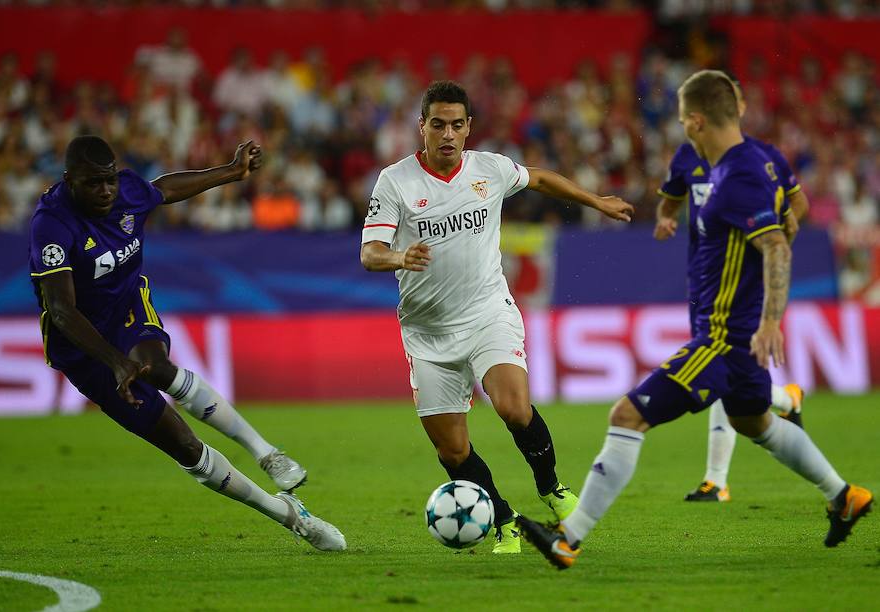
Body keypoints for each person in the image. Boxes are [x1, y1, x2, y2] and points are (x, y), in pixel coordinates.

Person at [517, 70, 872, 569]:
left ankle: (566, 538)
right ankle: (843, 495)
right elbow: (792, 220)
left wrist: (769, 319)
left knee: (627, 415)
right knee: (757, 423)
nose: (683, 130)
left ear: (698, 120)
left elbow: (775, 246)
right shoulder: (763, 160)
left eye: (685, 122)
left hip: (725, 338)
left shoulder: (735, 179)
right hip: (738, 335)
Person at [29, 135, 345, 551]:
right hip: (85, 349)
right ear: (69, 180)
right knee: (185, 447)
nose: (105, 191)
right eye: (93, 183)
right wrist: (112, 360)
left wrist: (231, 172)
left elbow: (163, 190)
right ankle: (287, 514)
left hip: (127, 308)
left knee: (153, 364)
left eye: (109, 180)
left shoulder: (125, 189)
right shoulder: (52, 225)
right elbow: (62, 311)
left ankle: (266, 452)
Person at [360, 81, 634, 553]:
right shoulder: (396, 182)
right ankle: (504, 518)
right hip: (426, 332)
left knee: (513, 407)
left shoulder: (489, 169)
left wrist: (596, 202)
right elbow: (369, 253)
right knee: (453, 450)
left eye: (457, 125)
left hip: (488, 312)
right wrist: (398, 257)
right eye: (438, 124)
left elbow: (542, 178)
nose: (448, 134)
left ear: (468, 128)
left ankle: (550, 487)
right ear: (421, 127)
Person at [653, 72, 811, 503]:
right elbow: (670, 198)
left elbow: (799, 205)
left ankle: (716, 480)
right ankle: (784, 396)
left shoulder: (762, 158)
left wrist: (778, 241)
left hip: (744, 286)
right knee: (727, 372)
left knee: (719, 367)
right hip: (704, 282)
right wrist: (666, 218)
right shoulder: (687, 157)